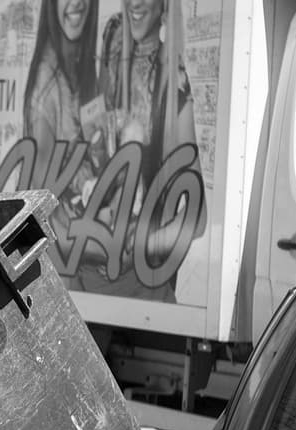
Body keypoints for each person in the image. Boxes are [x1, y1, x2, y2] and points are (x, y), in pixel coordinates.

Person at [83, 0, 203, 301]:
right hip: (91, 278)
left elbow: (196, 217)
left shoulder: (171, 82)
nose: (134, 3)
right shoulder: (113, 50)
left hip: (141, 287)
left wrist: (144, 244)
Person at [23, 0, 101, 291]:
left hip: (72, 245)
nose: (76, 3)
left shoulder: (78, 66)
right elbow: (42, 191)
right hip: (58, 254)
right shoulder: (48, 84)